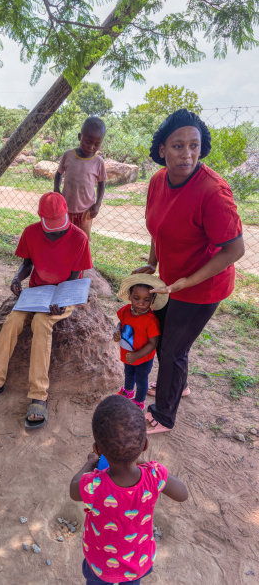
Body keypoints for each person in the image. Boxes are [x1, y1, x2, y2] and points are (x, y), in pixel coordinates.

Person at [132, 108, 245, 434]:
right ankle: (177, 386)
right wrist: (153, 263)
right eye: (178, 146)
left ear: (202, 147)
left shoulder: (213, 193)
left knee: (172, 349)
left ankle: (164, 416)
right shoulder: (157, 181)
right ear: (162, 149)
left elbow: (234, 250)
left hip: (203, 286)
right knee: (166, 338)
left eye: (194, 145)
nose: (187, 154)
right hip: (171, 281)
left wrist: (187, 281)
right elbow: (159, 228)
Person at [0, 192, 93, 428]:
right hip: (36, 292)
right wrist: (16, 278)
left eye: (59, 223)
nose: (54, 229)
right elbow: (27, 263)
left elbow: (75, 278)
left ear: (67, 214)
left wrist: (62, 301)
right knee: (12, 321)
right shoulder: (31, 232)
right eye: (49, 223)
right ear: (40, 216)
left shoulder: (79, 237)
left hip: (62, 294)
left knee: (42, 323)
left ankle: (39, 395)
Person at [70, 395, 188, 585]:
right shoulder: (154, 476)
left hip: (100, 565)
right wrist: (149, 466)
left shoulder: (94, 485)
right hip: (137, 562)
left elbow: (73, 490)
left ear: (97, 450)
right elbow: (183, 494)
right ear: (145, 445)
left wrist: (90, 463)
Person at [113, 275, 168, 410]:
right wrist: (117, 331)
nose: (141, 303)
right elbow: (121, 323)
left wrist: (137, 356)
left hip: (143, 358)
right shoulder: (126, 310)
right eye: (136, 298)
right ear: (130, 296)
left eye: (146, 300)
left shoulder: (150, 320)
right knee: (128, 373)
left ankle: (139, 401)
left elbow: (153, 343)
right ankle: (128, 391)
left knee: (141, 379)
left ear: (152, 300)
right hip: (128, 352)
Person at [54, 116, 107, 239]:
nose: (91, 147)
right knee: (64, 238)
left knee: (83, 239)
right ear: (80, 137)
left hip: (86, 211)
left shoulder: (98, 161)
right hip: (65, 208)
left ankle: (81, 258)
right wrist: (56, 189)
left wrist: (98, 204)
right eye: (88, 142)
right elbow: (58, 173)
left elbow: (101, 184)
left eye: (97, 144)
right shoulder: (68, 155)